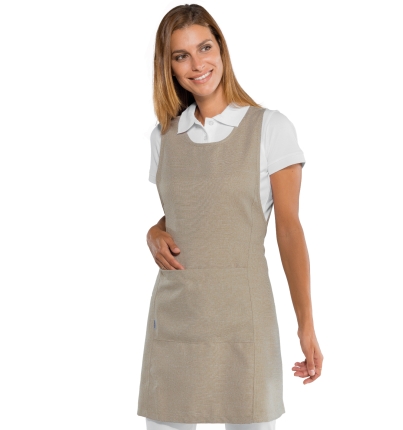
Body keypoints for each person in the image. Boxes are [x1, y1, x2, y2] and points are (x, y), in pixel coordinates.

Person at [137, 4, 323, 430]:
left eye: (205, 48)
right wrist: (153, 231)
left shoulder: (269, 128)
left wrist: (306, 325)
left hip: (243, 320)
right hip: (176, 317)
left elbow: (289, 230)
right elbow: (185, 212)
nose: (197, 64)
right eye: (181, 55)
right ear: (168, 66)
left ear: (221, 49)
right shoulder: (163, 136)